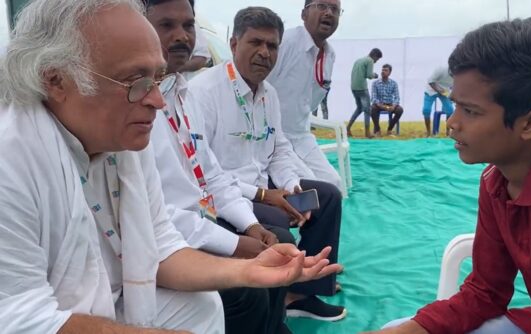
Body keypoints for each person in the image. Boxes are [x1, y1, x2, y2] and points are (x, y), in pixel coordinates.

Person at [0, 1, 341, 333]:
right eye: (135, 80)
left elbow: (160, 246)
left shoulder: (123, 136)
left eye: (156, 77)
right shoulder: (11, 156)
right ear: (56, 80)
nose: (157, 100)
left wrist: (249, 271)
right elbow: (18, 317)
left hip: (118, 288)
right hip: (46, 316)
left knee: (203, 305)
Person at [365, 18, 531, 334]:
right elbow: (486, 291)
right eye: (455, 106)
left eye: (470, 111)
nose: (452, 123)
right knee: (397, 327)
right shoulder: (495, 181)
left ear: (530, 124)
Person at [188, 6, 347, 322]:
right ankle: (278, 301)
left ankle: (302, 294)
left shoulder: (268, 94)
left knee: (326, 197)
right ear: (234, 45)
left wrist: (292, 186)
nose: (264, 53)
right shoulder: (203, 92)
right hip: (229, 196)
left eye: (272, 46)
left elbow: (279, 152)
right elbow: (207, 174)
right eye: (255, 43)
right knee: (278, 218)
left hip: (268, 188)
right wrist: (264, 196)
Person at [143, 0, 294, 333]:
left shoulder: (181, 94)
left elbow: (211, 173)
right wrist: (239, 242)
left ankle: (272, 326)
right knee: (247, 290)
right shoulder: (144, 104)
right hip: (169, 239)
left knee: (280, 241)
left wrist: (251, 227)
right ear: (234, 45)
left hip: (203, 217)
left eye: (188, 25)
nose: (181, 36)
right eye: (166, 26)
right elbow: (160, 213)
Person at [267, 0, 342, 189]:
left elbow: (313, 99)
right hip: (271, 136)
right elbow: (259, 84)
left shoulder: (329, 55)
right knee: (313, 188)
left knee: (334, 183)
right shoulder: (285, 42)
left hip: (301, 135)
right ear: (304, 14)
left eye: (335, 9)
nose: (329, 13)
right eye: (322, 6)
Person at [346, 47, 382, 138]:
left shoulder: (359, 60)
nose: (376, 61)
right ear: (374, 56)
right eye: (377, 59)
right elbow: (369, 75)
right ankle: (367, 133)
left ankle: (348, 127)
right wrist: (375, 75)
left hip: (354, 87)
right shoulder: (370, 60)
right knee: (367, 110)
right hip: (362, 88)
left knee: (359, 108)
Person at [370, 63, 403, 137]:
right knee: (372, 108)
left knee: (400, 110)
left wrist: (393, 106)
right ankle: (377, 130)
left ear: (390, 73)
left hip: (390, 104)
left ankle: (390, 129)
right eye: (382, 70)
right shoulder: (375, 83)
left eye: (385, 70)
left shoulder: (394, 83)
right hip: (379, 104)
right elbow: (373, 98)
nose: (383, 72)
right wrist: (381, 106)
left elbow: (397, 97)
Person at [422, 66, 454, 137]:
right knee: (426, 110)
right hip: (431, 90)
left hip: (445, 91)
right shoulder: (441, 69)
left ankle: (448, 133)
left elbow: (455, 85)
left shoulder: (460, 74)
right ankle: (428, 133)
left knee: (450, 110)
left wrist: (450, 94)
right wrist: (439, 90)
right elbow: (431, 81)